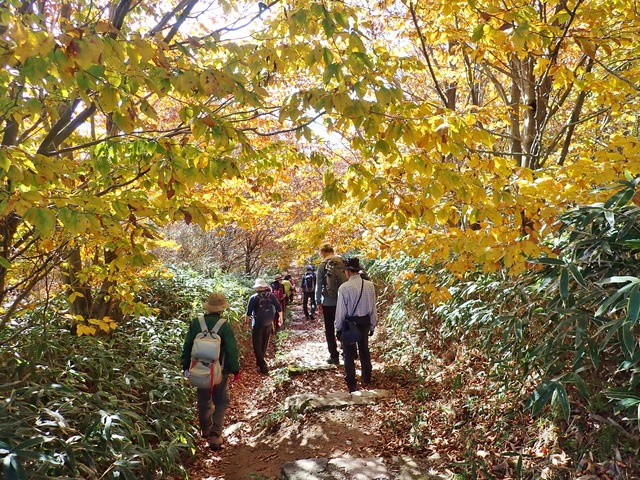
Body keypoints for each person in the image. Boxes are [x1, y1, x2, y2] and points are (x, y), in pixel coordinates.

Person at [181, 292, 240, 450]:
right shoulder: (224, 325)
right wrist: (235, 369)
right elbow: (231, 349)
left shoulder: (196, 323)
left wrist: (185, 366)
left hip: (198, 369)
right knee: (221, 400)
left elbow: (187, 346)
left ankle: (205, 429)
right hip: (219, 370)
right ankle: (215, 435)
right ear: (222, 308)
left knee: (203, 399)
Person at [335, 257, 378, 393]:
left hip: (350, 324)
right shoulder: (369, 285)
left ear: (347, 271)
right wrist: (372, 325)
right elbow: (373, 307)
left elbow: (341, 310)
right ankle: (367, 377)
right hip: (364, 321)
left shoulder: (344, 288)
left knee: (348, 353)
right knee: (364, 349)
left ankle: (351, 382)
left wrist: (339, 328)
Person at [315, 243, 347, 364]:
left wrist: (318, 302)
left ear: (322, 252)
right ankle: (347, 351)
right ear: (333, 251)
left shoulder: (323, 265)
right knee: (345, 325)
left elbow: (319, 285)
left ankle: (334, 356)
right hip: (344, 301)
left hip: (328, 302)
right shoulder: (342, 261)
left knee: (329, 329)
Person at [245, 278, 282, 374]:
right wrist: (280, 318)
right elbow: (278, 307)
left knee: (257, 344)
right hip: (268, 323)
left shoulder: (253, 298)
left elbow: (248, 313)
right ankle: (260, 362)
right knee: (264, 343)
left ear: (257, 288)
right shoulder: (271, 295)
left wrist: (246, 323)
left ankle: (262, 365)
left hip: (257, 324)